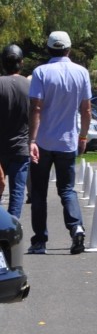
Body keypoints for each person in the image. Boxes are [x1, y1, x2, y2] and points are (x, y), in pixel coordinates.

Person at [28, 31, 91, 255]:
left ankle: (39, 240)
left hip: (43, 140)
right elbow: (86, 109)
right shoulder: (81, 72)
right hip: (68, 140)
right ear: (69, 49)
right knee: (67, 189)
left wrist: (32, 139)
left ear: (48, 49)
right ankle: (76, 228)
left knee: (38, 192)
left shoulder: (41, 72)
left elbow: (36, 107)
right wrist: (83, 136)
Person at [0, 44, 30, 219]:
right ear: (22, 63)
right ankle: (13, 228)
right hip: (21, 146)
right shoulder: (29, 85)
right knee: (17, 192)